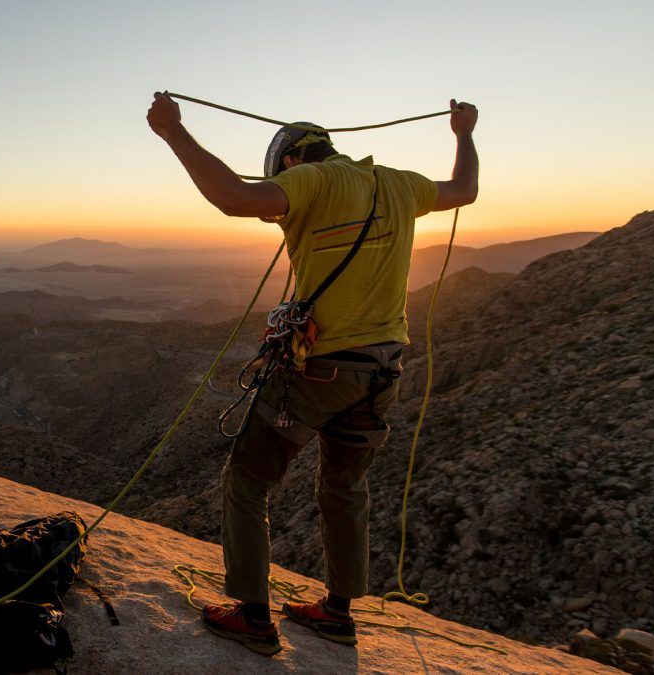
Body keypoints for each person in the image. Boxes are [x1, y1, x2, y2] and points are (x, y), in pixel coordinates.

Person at [147, 92, 478, 655]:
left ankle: (253, 616)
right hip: (383, 369)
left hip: (321, 367)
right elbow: (464, 190)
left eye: (282, 175)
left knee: (247, 479)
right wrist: (464, 133)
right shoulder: (399, 183)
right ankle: (337, 614)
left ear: (292, 159)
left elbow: (234, 197)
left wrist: (172, 131)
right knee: (345, 485)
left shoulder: (312, 179)